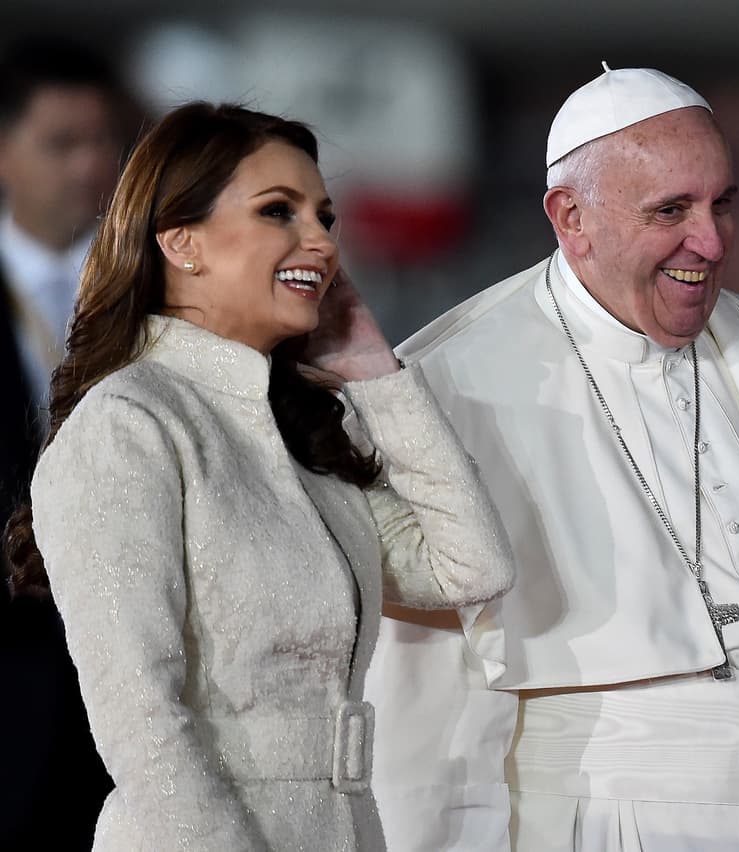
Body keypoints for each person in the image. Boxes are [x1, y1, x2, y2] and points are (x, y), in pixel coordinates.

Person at [364, 65, 739, 852]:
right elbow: (420, 721)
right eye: (671, 210)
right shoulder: (451, 380)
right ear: (572, 217)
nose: (710, 241)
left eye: (723, 203)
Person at [5, 102, 515, 851]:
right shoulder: (129, 422)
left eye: (324, 217)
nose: (321, 241)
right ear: (182, 243)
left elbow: (472, 566)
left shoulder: (302, 433)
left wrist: (377, 373)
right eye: (280, 211)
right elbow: (140, 716)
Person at [0, 34, 130, 849]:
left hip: (123, 669)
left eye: (102, 142)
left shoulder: (153, 293)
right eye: (61, 143)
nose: (89, 165)